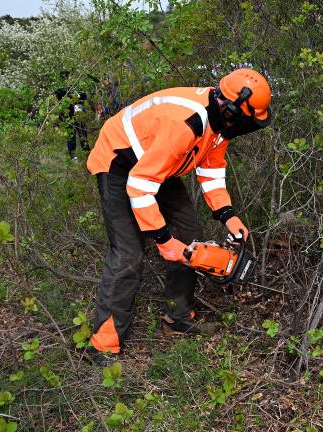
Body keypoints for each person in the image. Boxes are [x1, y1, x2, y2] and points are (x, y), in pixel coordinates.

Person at [84, 68, 272, 363]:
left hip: (158, 163)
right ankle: (104, 345)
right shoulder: (186, 123)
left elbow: (210, 172)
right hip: (120, 163)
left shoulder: (219, 124)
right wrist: (162, 239)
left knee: (188, 234)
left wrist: (228, 216)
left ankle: (177, 317)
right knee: (129, 254)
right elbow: (140, 186)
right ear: (230, 109)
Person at [55, 70, 90, 160]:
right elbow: (61, 96)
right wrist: (74, 95)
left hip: (79, 113)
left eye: (67, 76)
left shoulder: (76, 85)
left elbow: (84, 95)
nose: (66, 79)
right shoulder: (60, 88)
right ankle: (73, 155)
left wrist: (77, 96)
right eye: (64, 77)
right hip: (68, 115)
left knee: (82, 133)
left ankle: (87, 153)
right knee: (71, 135)